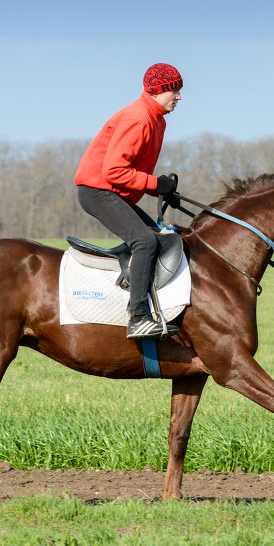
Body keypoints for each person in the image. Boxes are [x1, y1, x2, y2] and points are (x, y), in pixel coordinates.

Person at [75, 63, 185, 339]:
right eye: (175, 90)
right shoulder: (139, 118)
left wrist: (160, 190)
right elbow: (114, 171)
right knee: (145, 241)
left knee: (158, 236)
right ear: (158, 90)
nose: (179, 97)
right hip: (98, 190)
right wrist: (155, 183)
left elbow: (132, 171)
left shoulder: (156, 119)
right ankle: (137, 317)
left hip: (113, 191)